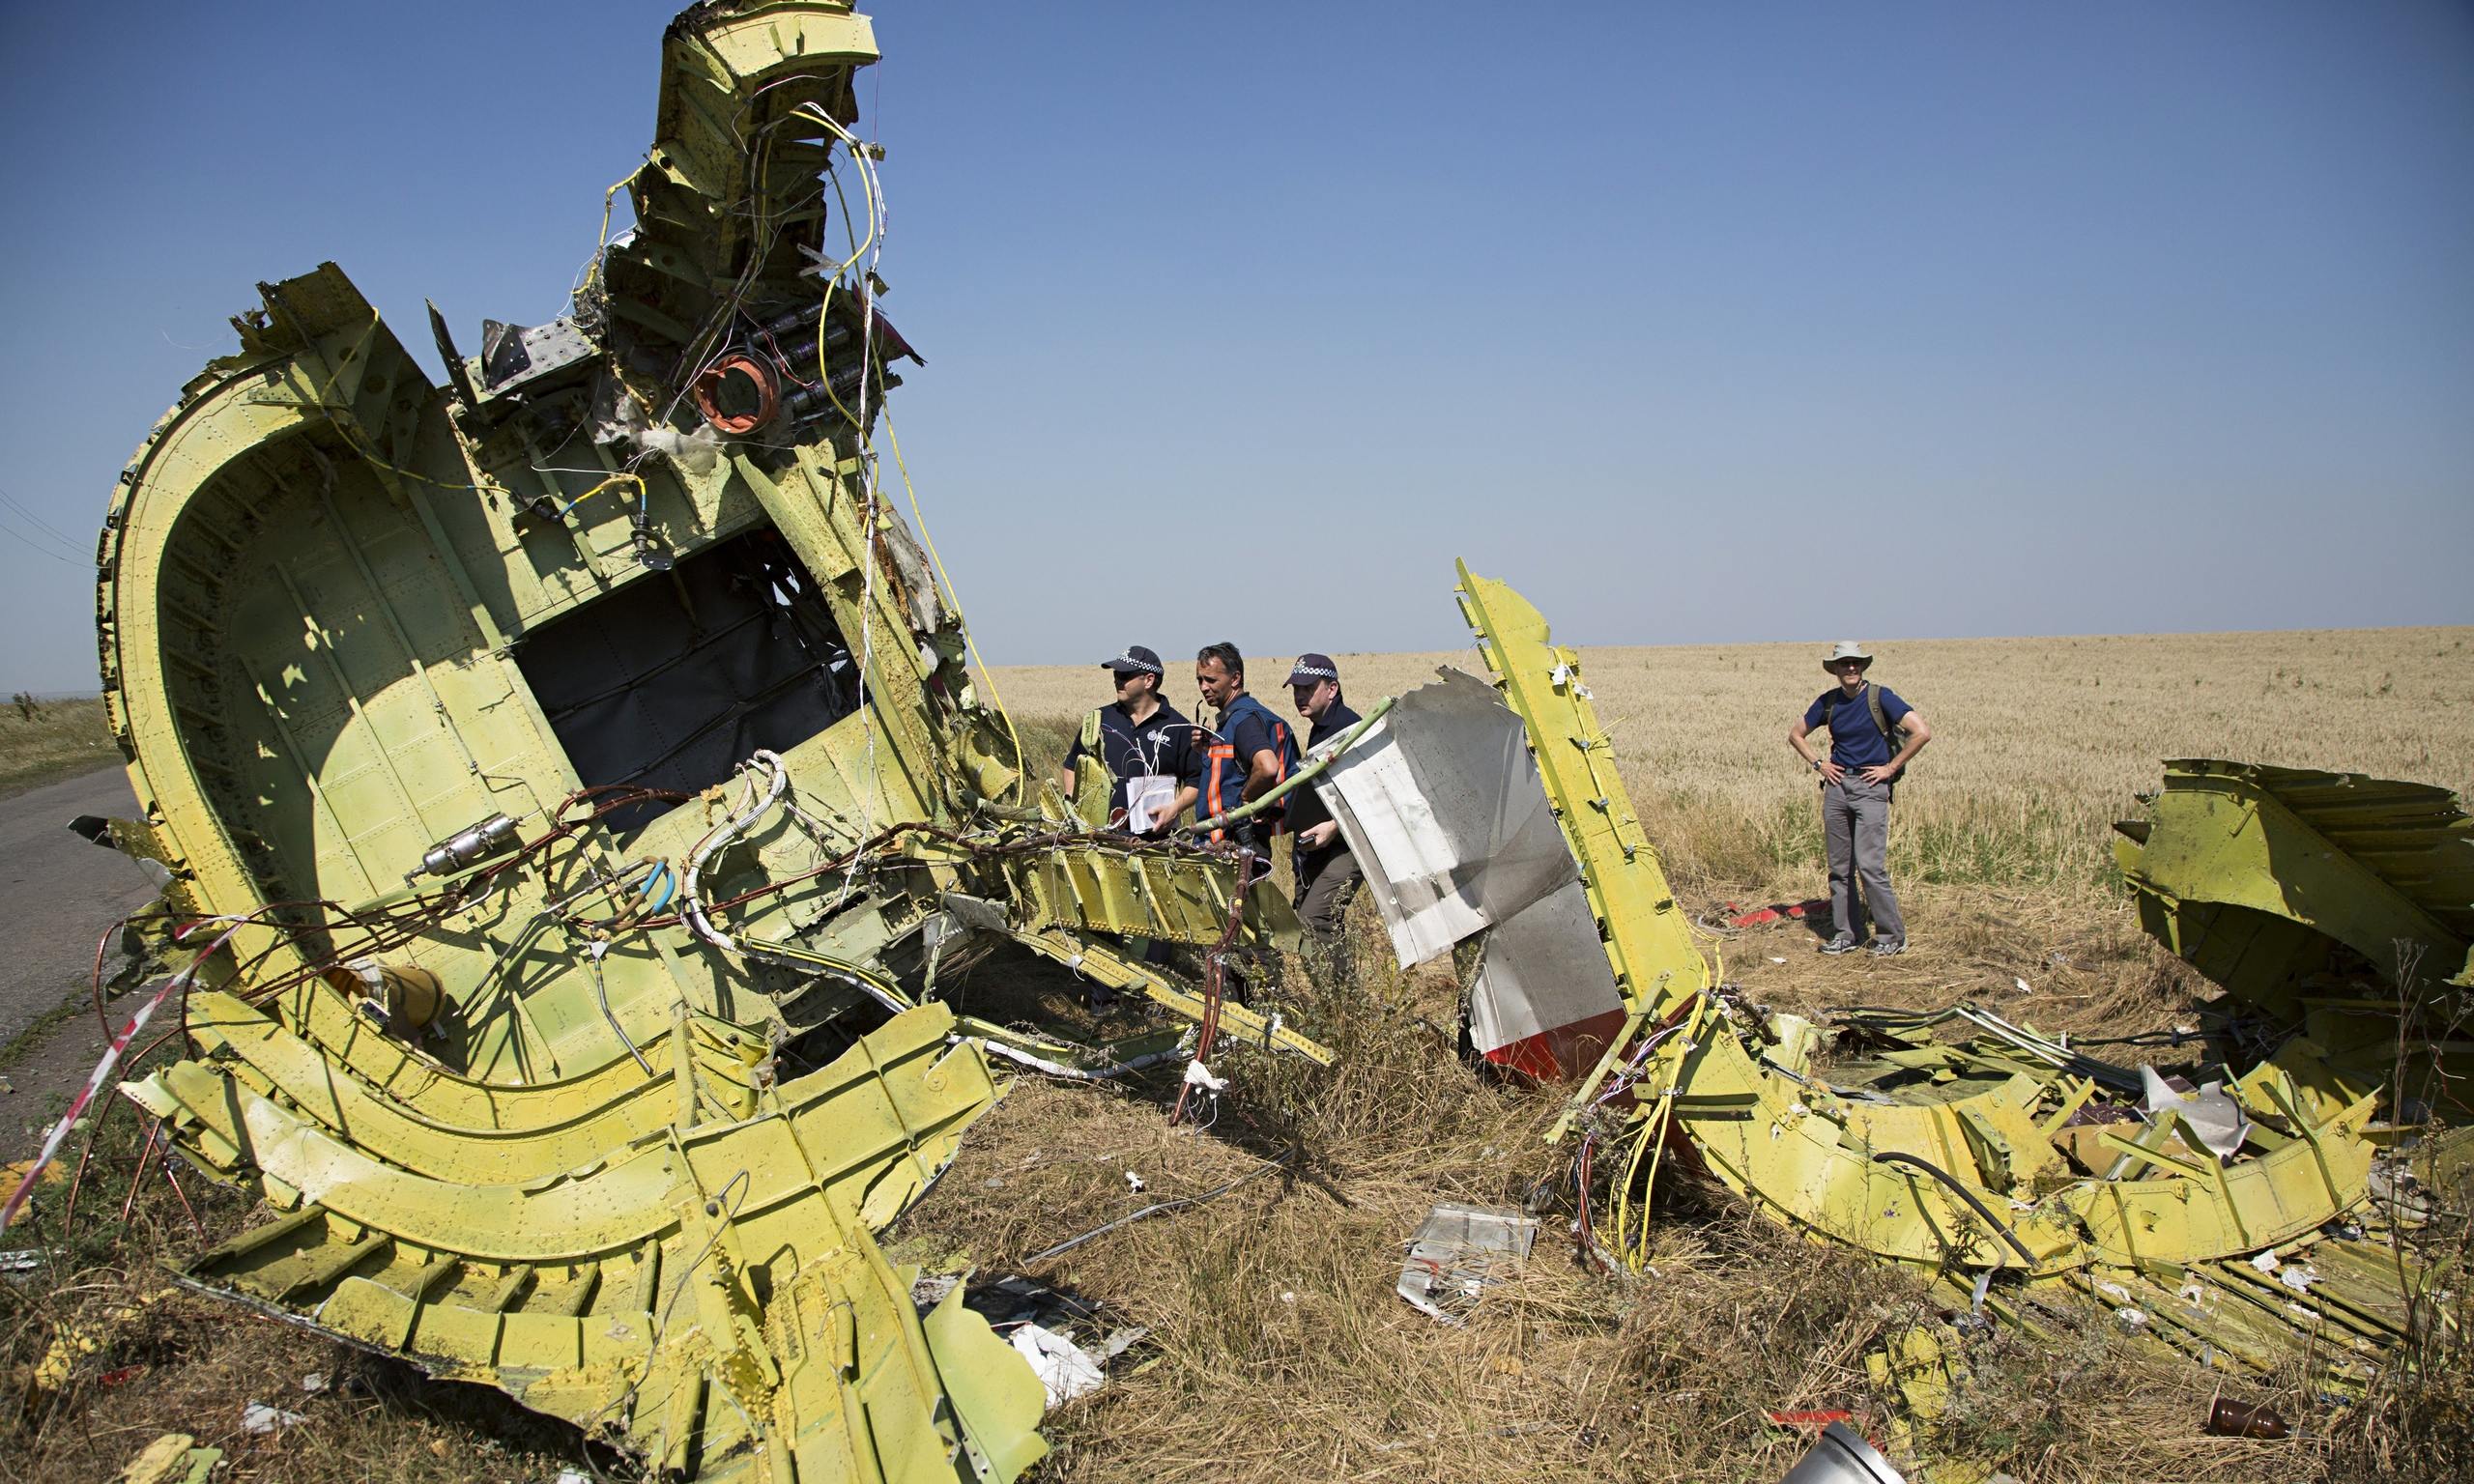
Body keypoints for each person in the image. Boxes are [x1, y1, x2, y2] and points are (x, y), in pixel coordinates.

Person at [1787, 641, 1932, 956]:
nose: (1850, 668)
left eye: (1855, 663)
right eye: (1844, 664)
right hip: (1837, 787)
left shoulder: (1882, 697)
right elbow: (1796, 734)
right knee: (1840, 868)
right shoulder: (1829, 702)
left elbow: (1921, 731)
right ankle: (1846, 935)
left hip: (1871, 788)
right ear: (1835, 669)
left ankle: (1892, 936)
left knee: (1870, 866)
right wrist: (1819, 764)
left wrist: (1890, 768)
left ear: (1862, 666)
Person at [1057, 645, 1201, 835]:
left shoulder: (1179, 728)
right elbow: (1071, 765)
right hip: (1099, 839)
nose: (1117, 680)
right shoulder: (1099, 719)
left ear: (1149, 680)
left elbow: (1196, 781)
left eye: (1125, 676)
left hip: (1155, 845)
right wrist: (1074, 809)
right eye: (1116, 675)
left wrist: (1174, 808)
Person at [1193, 642, 1298, 866]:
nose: (1203, 687)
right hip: (1232, 842)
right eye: (1200, 680)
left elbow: (1268, 767)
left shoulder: (1243, 720)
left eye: (1211, 679)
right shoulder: (1234, 720)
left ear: (1235, 679)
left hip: (1232, 844)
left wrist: (1244, 802)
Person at [1284, 653, 1363, 946]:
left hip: (1347, 845)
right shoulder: (1321, 728)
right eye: (1296, 689)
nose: (1300, 695)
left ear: (1332, 689)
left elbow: (1368, 794)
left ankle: (1339, 992)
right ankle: (1337, 991)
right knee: (1314, 924)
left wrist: (1334, 826)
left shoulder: (1347, 728)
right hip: (1321, 847)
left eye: (1308, 688)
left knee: (1314, 919)